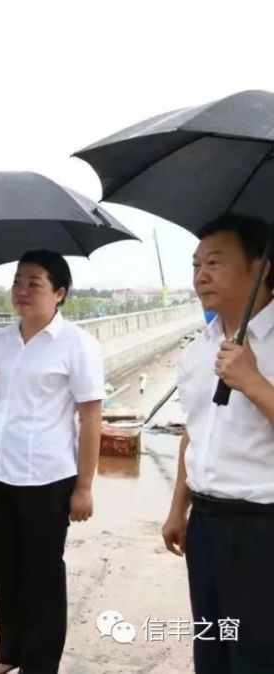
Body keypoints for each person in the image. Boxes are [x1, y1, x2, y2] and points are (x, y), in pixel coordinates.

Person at [0, 250, 104, 674]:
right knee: (6, 569)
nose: (22, 291)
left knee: (42, 576)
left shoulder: (77, 345)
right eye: (17, 282)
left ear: (60, 293)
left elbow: (90, 417)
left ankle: (40, 664)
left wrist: (84, 487)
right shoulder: (1, 342)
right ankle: (9, 653)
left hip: (47, 477)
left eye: (34, 283)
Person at [161, 215, 274, 672]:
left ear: (262, 266)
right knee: (213, 651)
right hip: (205, 528)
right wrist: (178, 508)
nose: (200, 275)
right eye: (195, 264)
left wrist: (253, 381)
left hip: (262, 531)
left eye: (215, 262)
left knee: (259, 656)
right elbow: (195, 428)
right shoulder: (200, 349)